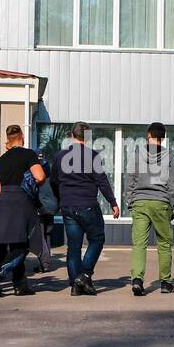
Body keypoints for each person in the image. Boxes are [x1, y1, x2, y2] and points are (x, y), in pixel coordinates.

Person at [50, 121, 118, 296]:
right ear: (87, 137)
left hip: (67, 206)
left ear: (72, 135)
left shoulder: (59, 156)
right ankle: (85, 274)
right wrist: (113, 203)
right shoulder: (92, 156)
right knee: (97, 239)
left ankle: (75, 285)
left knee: (73, 246)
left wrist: (60, 199)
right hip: (87, 204)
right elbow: (101, 181)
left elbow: (54, 181)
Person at [0, 124, 46, 297]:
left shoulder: (1, 159)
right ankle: (0, 272)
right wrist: (36, 185)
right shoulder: (28, 154)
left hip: (5, 200)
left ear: (9, 139)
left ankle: (20, 284)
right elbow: (39, 176)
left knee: (11, 242)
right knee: (24, 244)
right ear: (22, 136)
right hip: (21, 201)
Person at [124, 121, 174, 295]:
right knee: (164, 243)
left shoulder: (138, 154)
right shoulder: (169, 156)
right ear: (163, 138)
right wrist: (171, 204)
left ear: (148, 135)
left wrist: (130, 200)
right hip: (161, 202)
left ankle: (137, 280)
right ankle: (165, 282)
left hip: (140, 202)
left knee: (139, 244)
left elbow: (130, 177)